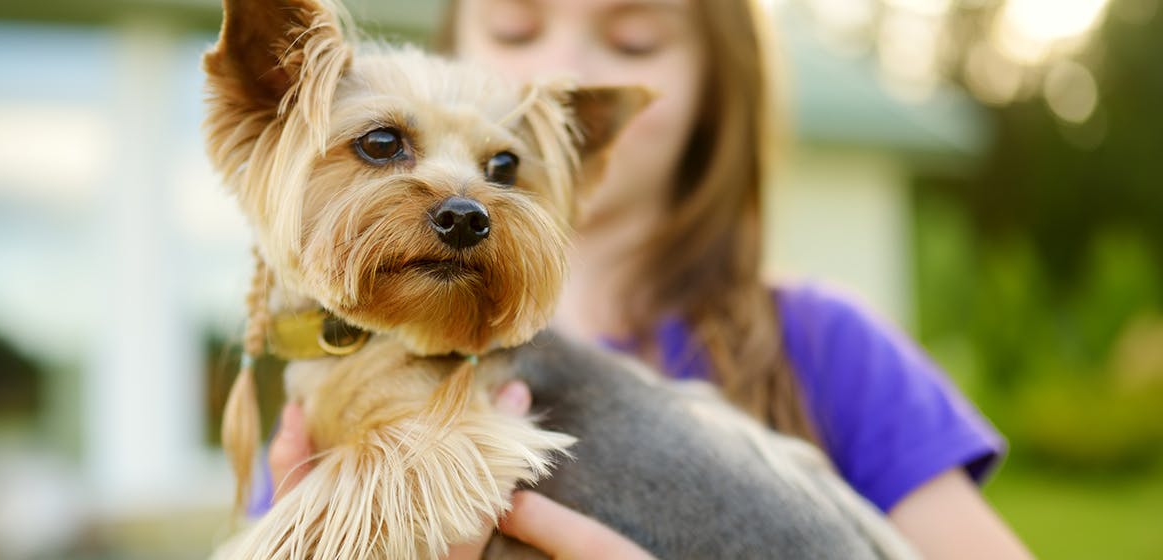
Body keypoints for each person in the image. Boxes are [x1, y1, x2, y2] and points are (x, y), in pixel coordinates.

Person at [262, 0, 1034, 557]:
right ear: (452, 35)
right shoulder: (336, 396)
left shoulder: (825, 346)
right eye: (517, 27)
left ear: (714, 90)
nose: (566, 66)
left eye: (632, 39)